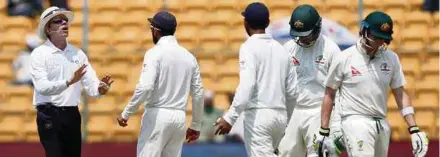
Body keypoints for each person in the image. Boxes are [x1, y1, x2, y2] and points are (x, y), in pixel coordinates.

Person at [317, 11, 429, 157]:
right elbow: (329, 94)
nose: (378, 43)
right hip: (355, 122)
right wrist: (324, 131)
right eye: (375, 37)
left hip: (381, 123)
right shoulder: (345, 57)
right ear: (364, 30)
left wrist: (414, 129)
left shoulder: (391, 58)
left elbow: (400, 93)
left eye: (383, 39)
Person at [116, 11, 204, 157]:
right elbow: (198, 93)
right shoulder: (189, 57)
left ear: (156, 31)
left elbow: (145, 87)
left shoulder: (154, 53)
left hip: (157, 116)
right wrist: (195, 125)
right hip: (179, 118)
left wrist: (126, 113)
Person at [214, 2, 297, 157]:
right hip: (280, 117)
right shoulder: (282, 50)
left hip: (259, 117)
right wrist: (287, 120)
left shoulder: (248, 47)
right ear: (267, 22)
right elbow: (292, 92)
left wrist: (230, 117)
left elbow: (247, 85)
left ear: (245, 23)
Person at [31, 6, 113, 157]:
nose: (64, 23)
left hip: (71, 114)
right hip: (49, 114)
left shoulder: (78, 54)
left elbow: (91, 85)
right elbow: (42, 87)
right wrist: (68, 82)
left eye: (65, 20)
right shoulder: (39, 54)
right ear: (48, 29)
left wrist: (101, 89)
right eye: (58, 21)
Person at [277, 5, 345, 157]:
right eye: (298, 34)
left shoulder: (331, 50)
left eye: (305, 34)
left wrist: (334, 126)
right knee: (285, 153)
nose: (301, 38)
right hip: (293, 112)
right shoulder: (288, 49)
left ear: (317, 28)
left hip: (319, 111)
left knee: (320, 153)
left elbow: (339, 90)